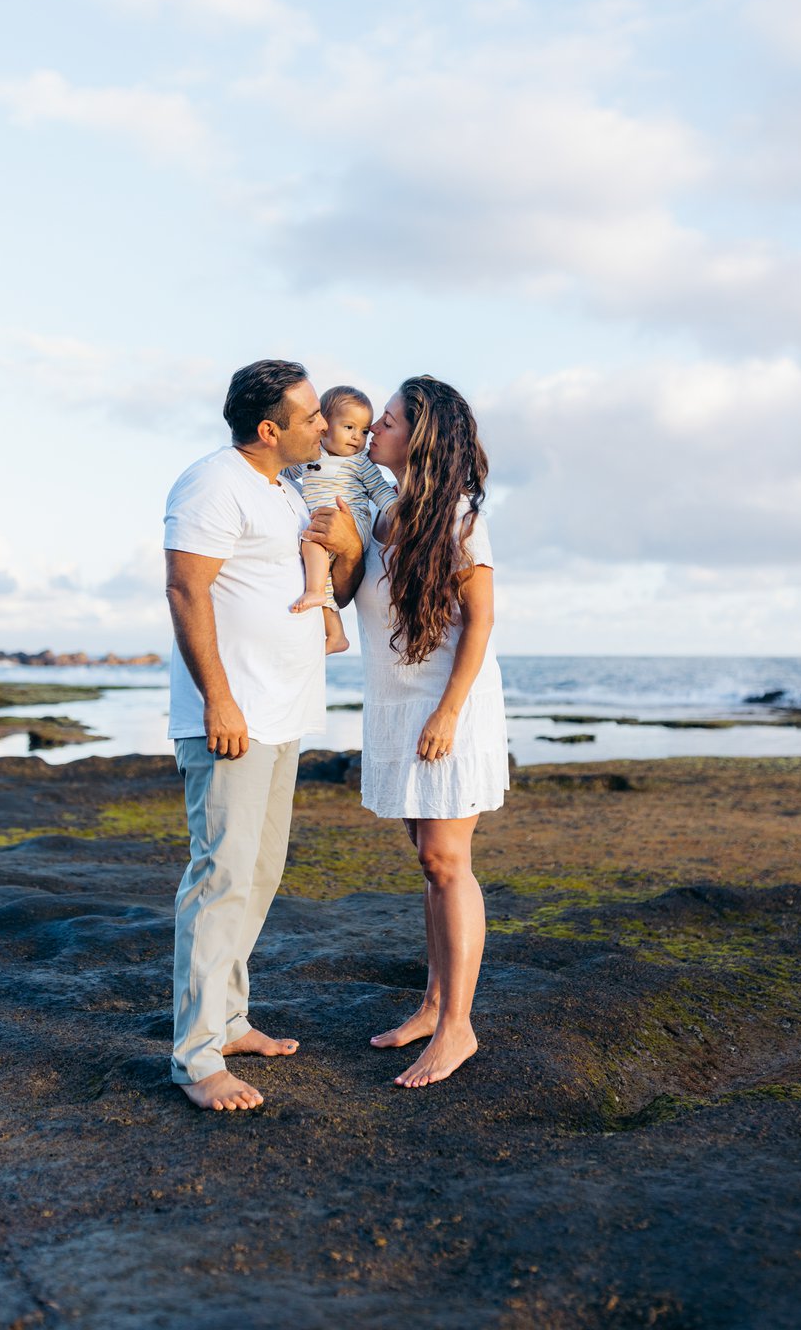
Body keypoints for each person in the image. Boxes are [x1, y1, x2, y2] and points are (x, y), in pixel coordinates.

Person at [163, 359, 360, 1113]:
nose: (325, 425)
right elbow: (187, 588)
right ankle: (197, 1058)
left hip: (284, 716)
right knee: (220, 879)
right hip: (234, 717)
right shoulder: (213, 482)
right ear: (270, 428)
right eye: (312, 416)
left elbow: (331, 587)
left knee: (259, 875)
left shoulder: (283, 491)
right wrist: (219, 701)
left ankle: (230, 1020)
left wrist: (343, 544)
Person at [308, 375, 509, 1088]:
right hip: (396, 708)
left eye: (387, 421)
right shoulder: (386, 511)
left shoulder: (458, 517)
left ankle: (459, 1028)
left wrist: (450, 712)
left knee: (447, 862)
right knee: (428, 864)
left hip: (446, 711)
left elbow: (481, 620)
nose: (373, 432)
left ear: (417, 437)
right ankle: (432, 1005)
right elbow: (343, 599)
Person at [287, 384, 397, 655]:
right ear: (324, 423)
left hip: (352, 522)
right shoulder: (311, 455)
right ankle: (335, 634)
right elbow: (283, 470)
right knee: (318, 569)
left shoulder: (360, 462)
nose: (358, 438)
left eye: (362, 430)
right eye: (349, 427)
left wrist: (397, 511)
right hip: (323, 527)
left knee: (310, 546)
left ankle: (315, 595)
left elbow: (379, 489)